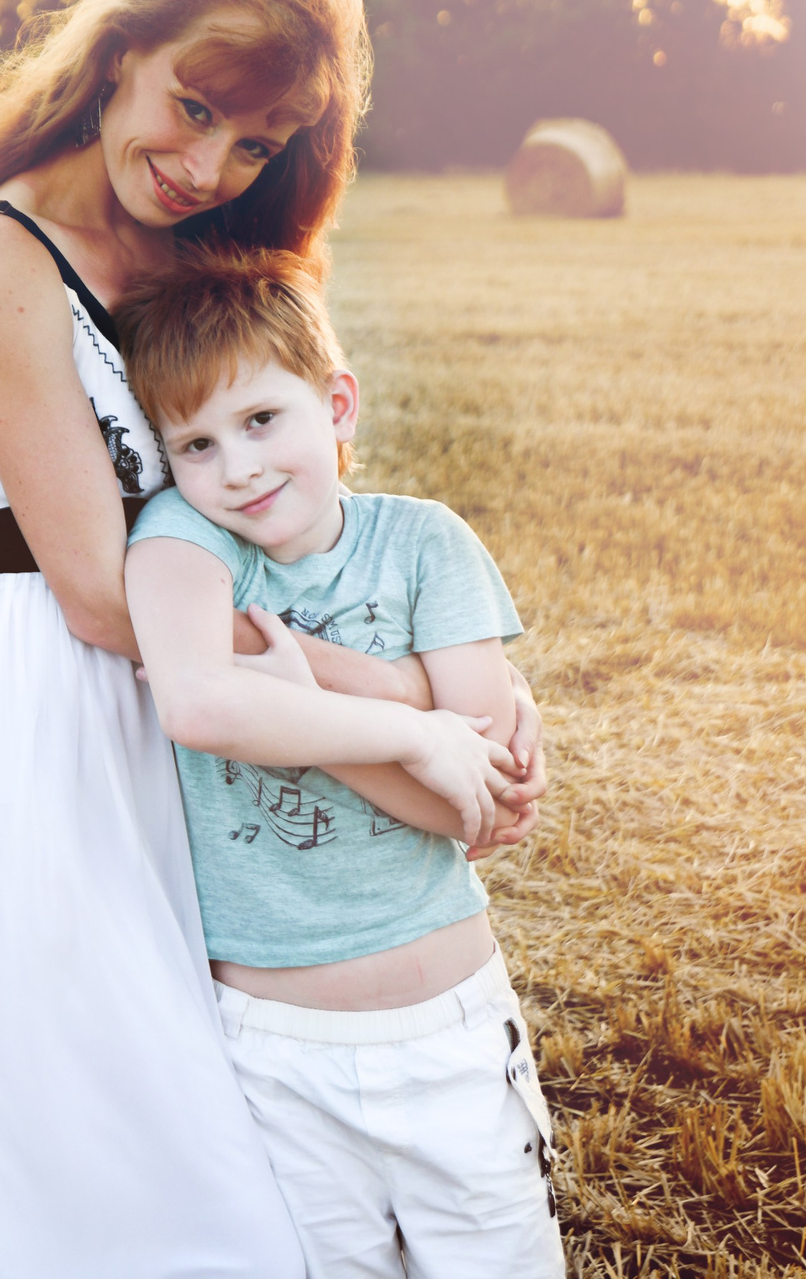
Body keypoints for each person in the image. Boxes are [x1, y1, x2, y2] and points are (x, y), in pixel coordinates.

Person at [0, 0, 544, 1278]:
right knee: (74, 1110)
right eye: (193, 108)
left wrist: (461, 662)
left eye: (256, 143)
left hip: (203, 705)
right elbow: (95, 593)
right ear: (115, 56)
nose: (209, 165)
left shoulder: (189, 259)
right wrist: (407, 705)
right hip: (47, 710)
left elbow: (285, 506)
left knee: (221, 1100)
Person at [118, 245, 566, 1278]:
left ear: (339, 406)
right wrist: (408, 732)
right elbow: (196, 705)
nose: (236, 468)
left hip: (448, 1037)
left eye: (262, 420)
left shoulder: (424, 547)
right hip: (270, 1051)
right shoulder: (185, 540)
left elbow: (479, 807)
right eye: (193, 443)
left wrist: (295, 702)